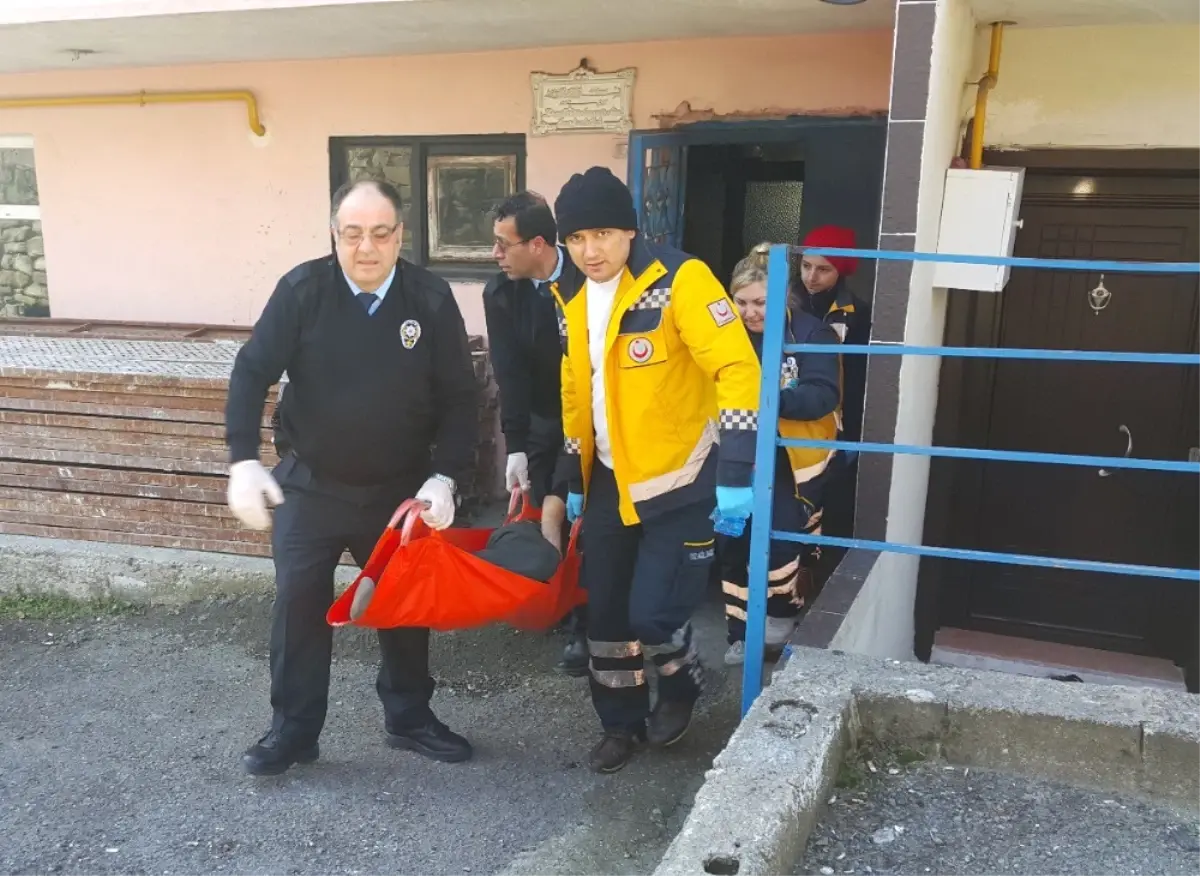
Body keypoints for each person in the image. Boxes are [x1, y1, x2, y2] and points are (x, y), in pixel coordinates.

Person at [224, 178, 479, 776]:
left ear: (401, 236)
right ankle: (293, 731)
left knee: (403, 609)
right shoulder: (303, 290)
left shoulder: (431, 298)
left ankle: (410, 716)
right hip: (312, 484)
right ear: (335, 234)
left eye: (380, 233)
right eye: (352, 233)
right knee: (298, 607)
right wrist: (241, 459)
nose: (366, 247)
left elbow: (460, 399)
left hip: (400, 490)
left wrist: (445, 476)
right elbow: (251, 369)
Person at [549, 166, 762, 773]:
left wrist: (737, 471)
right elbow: (575, 386)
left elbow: (737, 368)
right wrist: (573, 474)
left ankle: (681, 684)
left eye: (604, 235)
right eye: (577, 239)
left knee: (654, 613)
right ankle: (619, 723)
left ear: (630, 230)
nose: (591, 251)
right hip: (612, 480)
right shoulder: (567, 293)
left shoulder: (681, 280)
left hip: (682, 478)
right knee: (608, 617)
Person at [719, 243, 841, 665]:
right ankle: (740, 632)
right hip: (734, 454)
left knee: (779, 537)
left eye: (760, 303)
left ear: (782, 296)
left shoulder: (811, 334)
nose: (750, 313)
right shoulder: (723, 336)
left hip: (792, 457)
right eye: (741, 302)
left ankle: (781, 616)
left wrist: (771, 400)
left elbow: (823, 394)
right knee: (732, 542)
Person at [484, 191, 586, 675]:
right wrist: (516, 445)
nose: (495, 255)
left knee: (593, 521)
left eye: (505, 244)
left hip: (599, 422)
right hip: (547, 421)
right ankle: (558, 605)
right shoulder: (501, 294)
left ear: (539, 244)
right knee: (550, 513)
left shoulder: (590, 278)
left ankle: (592, 622)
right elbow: (510, 373)